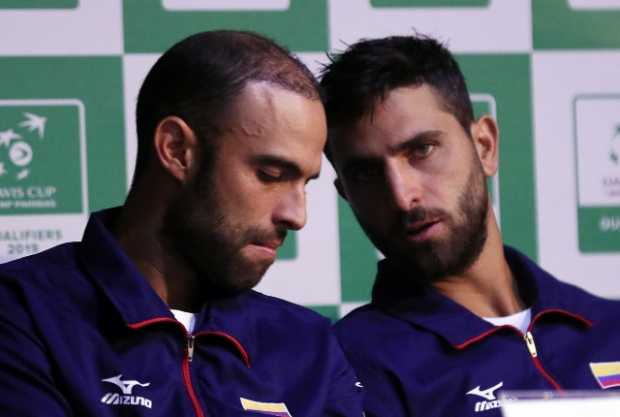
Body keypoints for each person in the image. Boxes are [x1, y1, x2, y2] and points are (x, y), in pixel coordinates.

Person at [0, 31, 363, 417]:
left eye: (304, 183)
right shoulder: (21, 313)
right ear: (176, 150)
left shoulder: (308, 345)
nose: (297, 215)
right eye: (271, 174)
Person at [320, 34, 620, 417]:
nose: (401, 195)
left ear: (484, 146)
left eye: (421, 150)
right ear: (345, 194)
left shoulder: (610, 327)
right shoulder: (347, 366)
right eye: (365, 173)